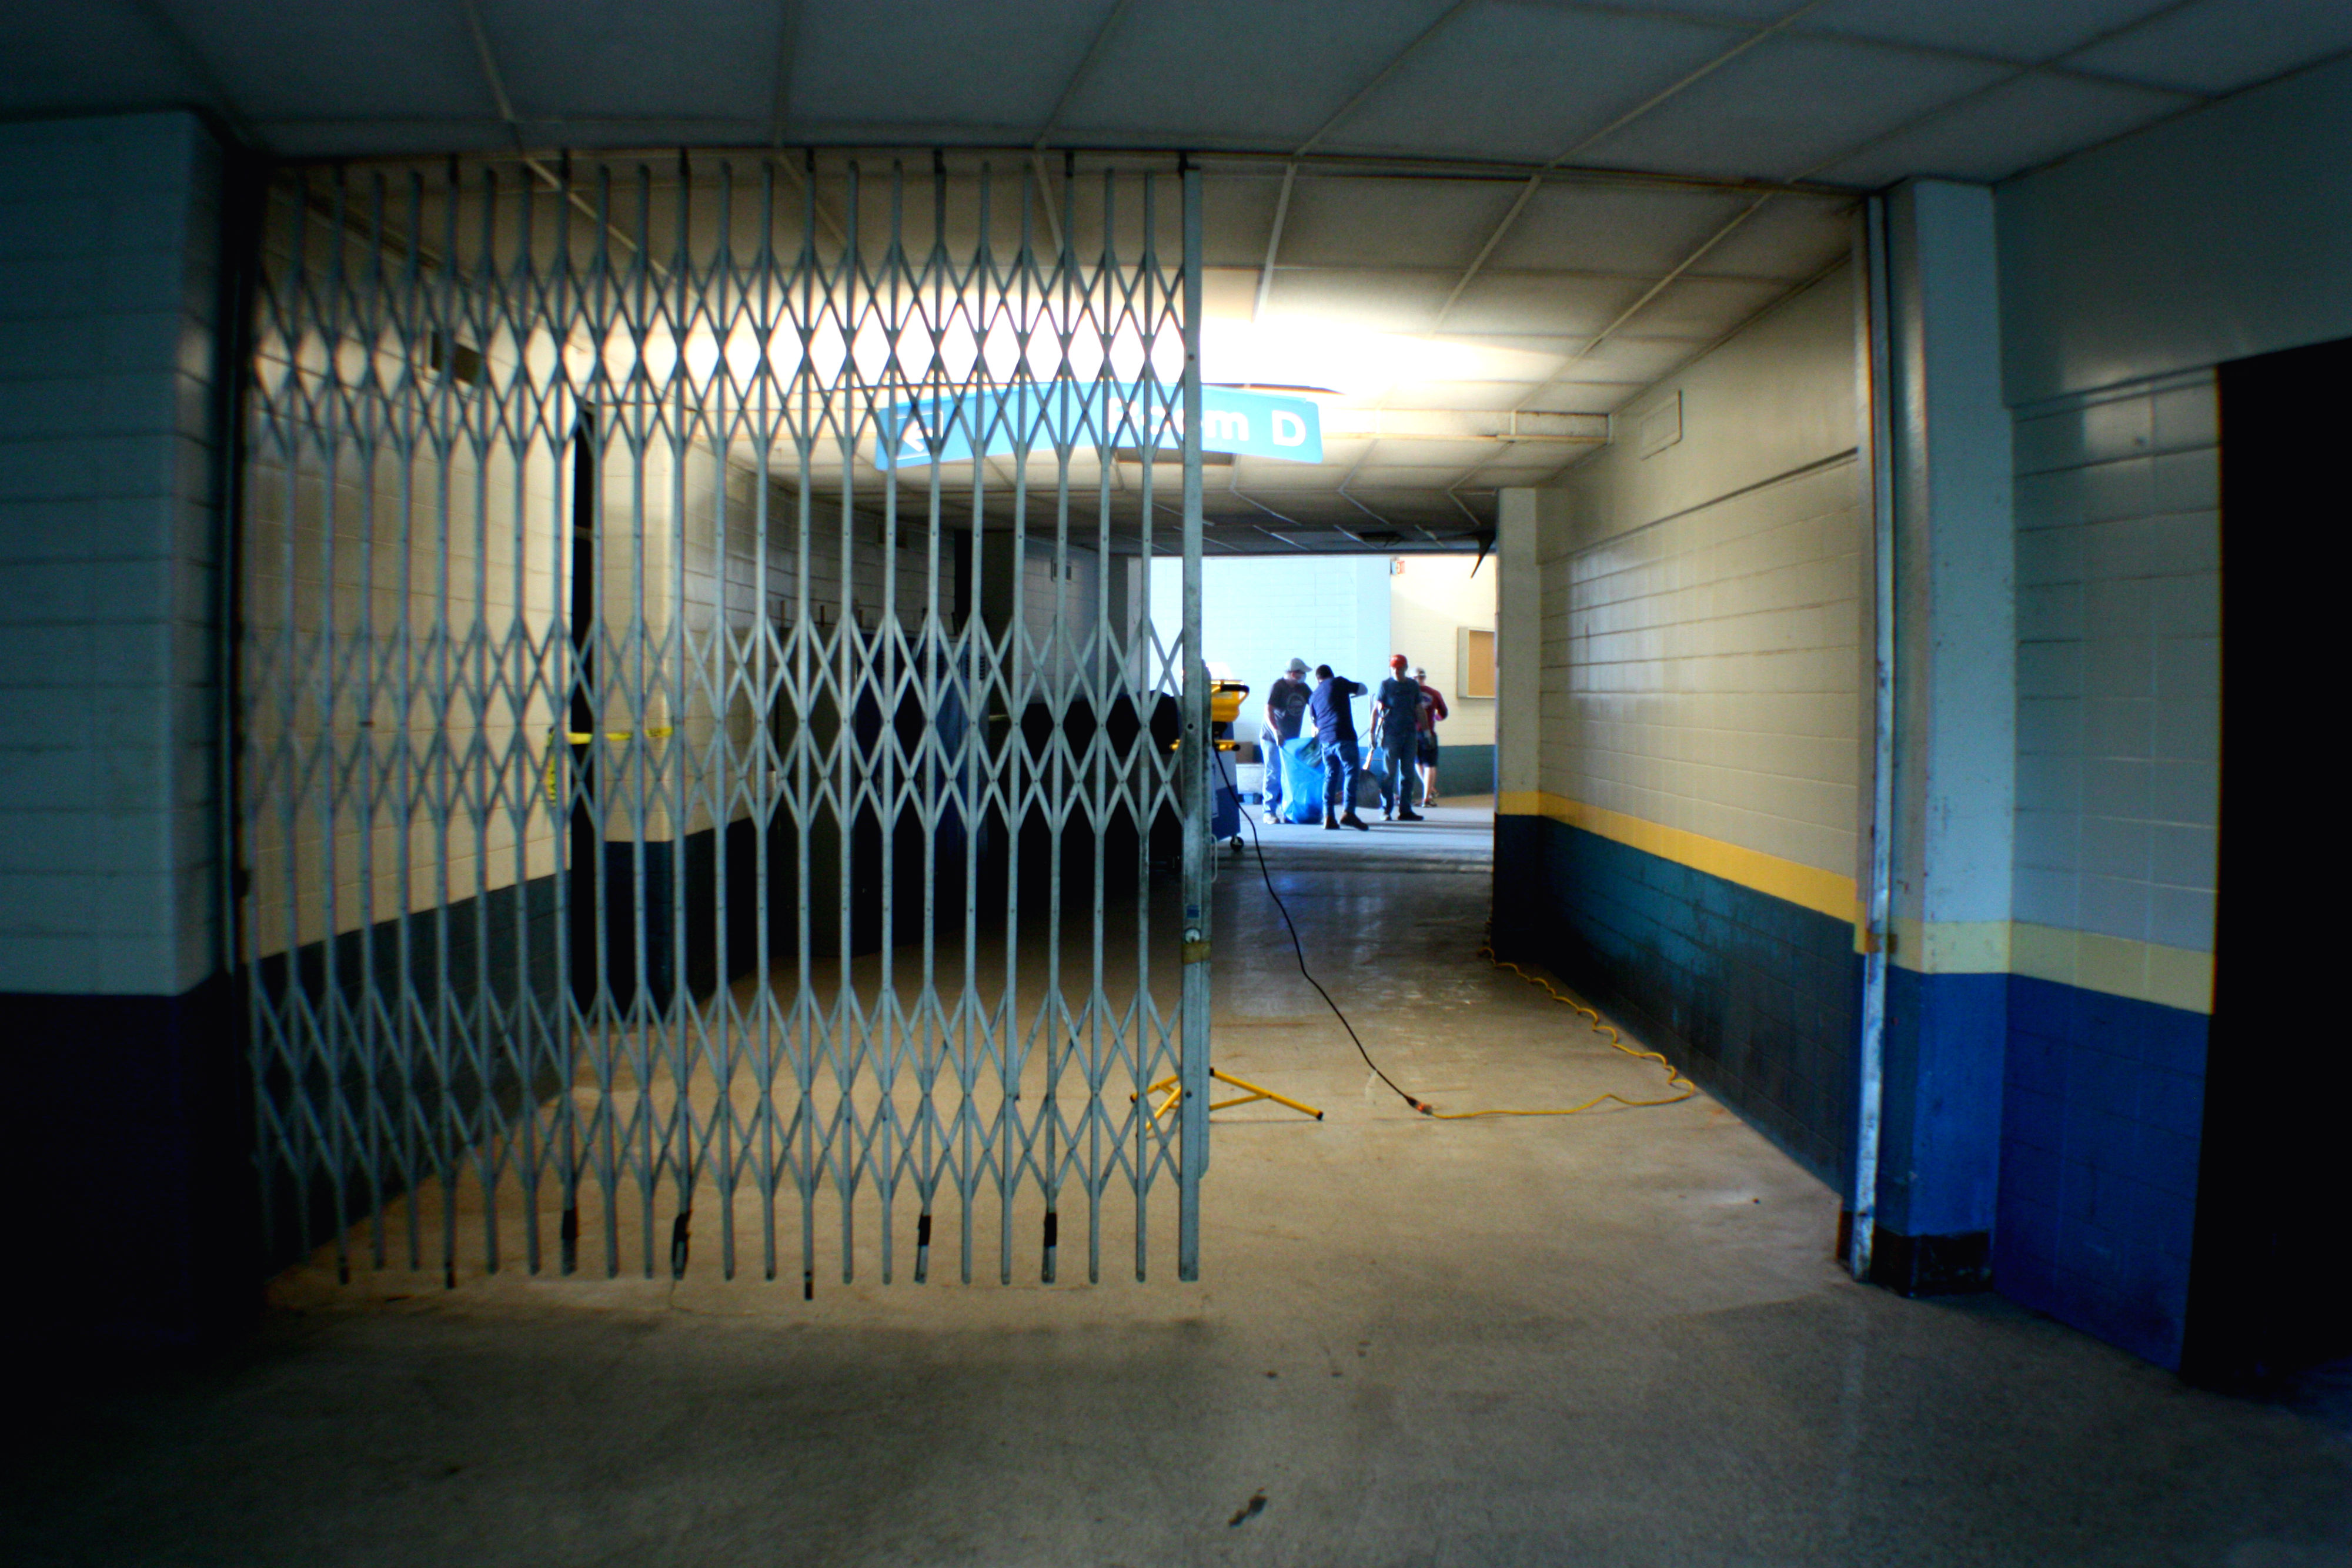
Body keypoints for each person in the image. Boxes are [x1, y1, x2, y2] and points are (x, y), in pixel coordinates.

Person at [1306, 663, 1369, 832]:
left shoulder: (1313, 697)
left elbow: (1314, 723)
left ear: (1318, 679)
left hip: (1325, 741)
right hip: (1343, 736)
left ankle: (1328, 817)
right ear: (1331, 675)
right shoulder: (1338, 683)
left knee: (1330, 776)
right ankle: (1349, 812)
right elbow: (1363, 689)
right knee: (1351, 772)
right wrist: (1349, 695)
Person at [1369, 654, 1425, 822]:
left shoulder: (1413, 686)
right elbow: (1376, 711)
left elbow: (1419, 709)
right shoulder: (1386, 685)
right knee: (1389, 774)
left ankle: (1406, 810)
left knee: (1408, 774)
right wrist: (1372, 733)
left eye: (1399, 669)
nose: (1396, 672)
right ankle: (1386, 810)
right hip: (1391, 735)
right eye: (1393, 669)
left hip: (1410, 734)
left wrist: (1426, 731)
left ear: (1405, 669)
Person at [1259, 657, 1312, 824]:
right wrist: (1276, 731)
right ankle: (1269, 811)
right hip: (1271, 737)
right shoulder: (1278, 687)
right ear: (1293, 673)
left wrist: (1317, 724)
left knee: (1289, 775)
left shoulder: (1304, 688)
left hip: (1291, 740)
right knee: (1273, 772)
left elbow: (1316, 704)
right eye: (1301, 673)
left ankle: (1288, 810)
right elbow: (1269, 710)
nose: (1304, 676)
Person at [1412, 664, 1448, 808]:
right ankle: (1427, 798)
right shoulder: (1434, 693)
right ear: (1425, 677)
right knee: (1430, 765)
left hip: (1412, 734)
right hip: (1429, 734)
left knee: (1417, 763)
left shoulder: (1408, 694)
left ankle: (1429, 790)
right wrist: (1435, 719)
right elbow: (1444, 713)